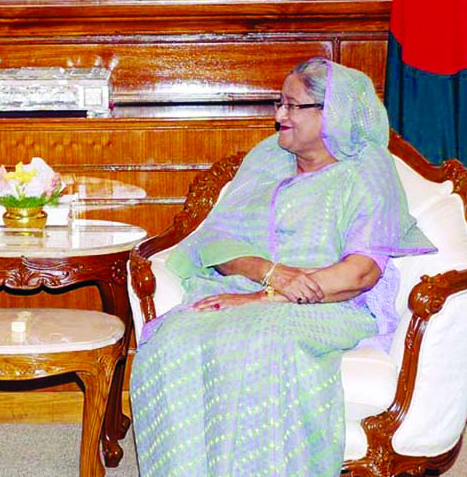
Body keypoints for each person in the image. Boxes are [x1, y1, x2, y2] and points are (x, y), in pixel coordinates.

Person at [130, 58, 435, 477]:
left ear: (333, 113)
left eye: (292, 106)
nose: (279, 116)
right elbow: (218, 241)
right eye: (279, 103)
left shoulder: (366, 173)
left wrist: (266, 296)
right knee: (172, 340)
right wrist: (268, 273)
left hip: (328, 305)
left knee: (261, 340)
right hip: (245, 288)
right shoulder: (267, 160)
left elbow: (361, 273)